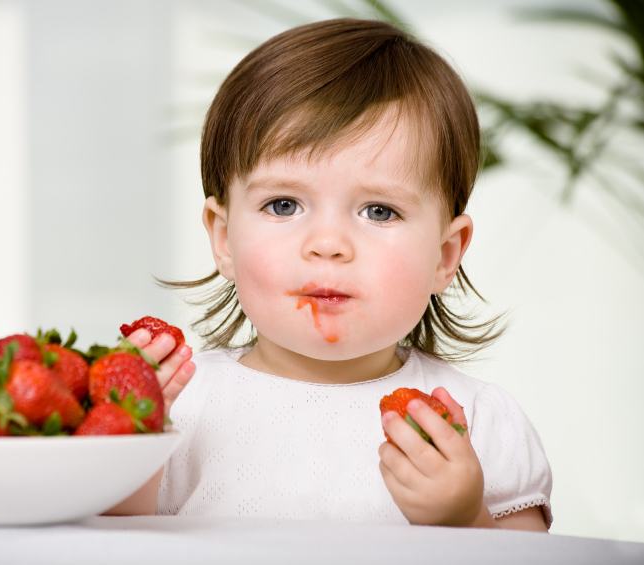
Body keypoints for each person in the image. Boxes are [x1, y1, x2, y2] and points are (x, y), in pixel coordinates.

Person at [107, 18, 552, 531]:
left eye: (379, 212)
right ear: (224, 238)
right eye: (283, 204)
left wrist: (466, 519)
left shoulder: (477, 421)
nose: (328, 245)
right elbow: (110, 544)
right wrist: (131, 441)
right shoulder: (184, 406)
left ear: (445, 255)